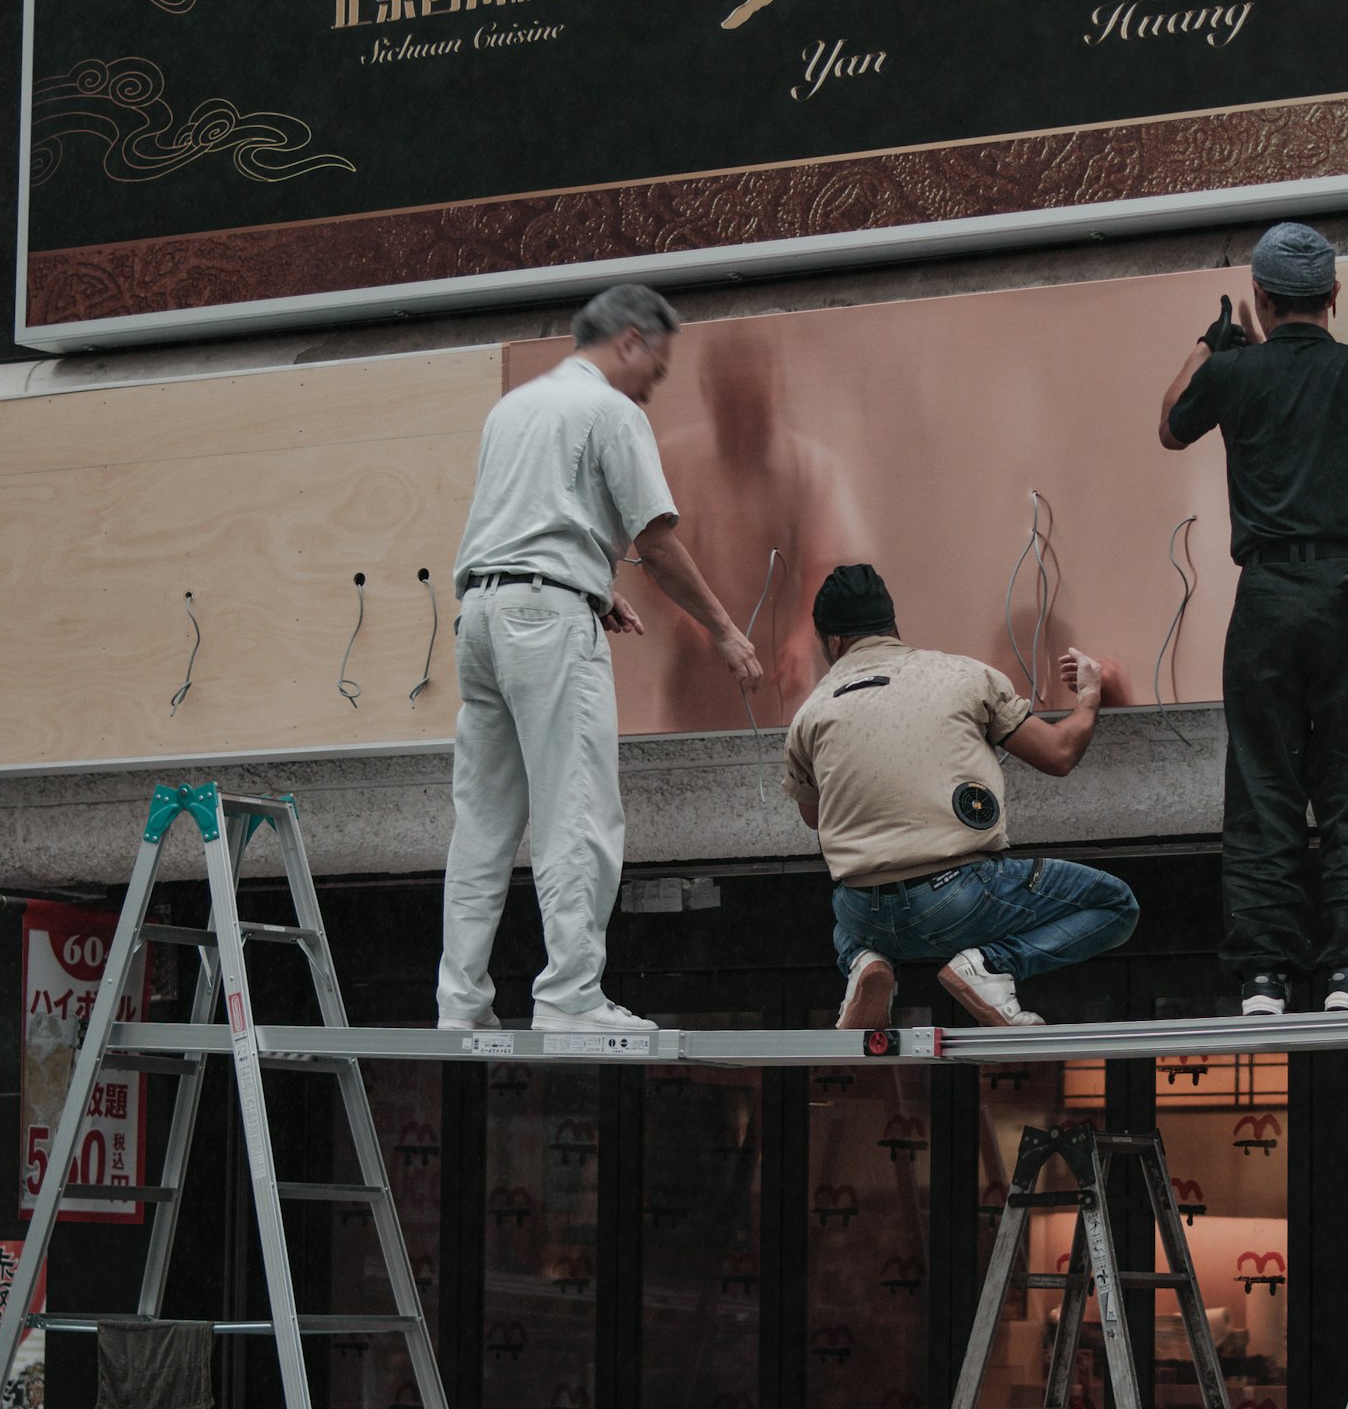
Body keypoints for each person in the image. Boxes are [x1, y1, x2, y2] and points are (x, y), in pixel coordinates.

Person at [438, 283, 766, 1034]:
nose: (656, 382)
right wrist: (725, 630)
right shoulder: (611, 412)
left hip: (482, 618)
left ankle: (459, 1003)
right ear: (628, 340)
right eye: (656, 363)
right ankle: (570, 996)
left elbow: (527, 524)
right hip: (546, 624)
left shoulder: (512, 407)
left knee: (482, 823)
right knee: (577, 808)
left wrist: (594, 587)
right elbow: (655, 541)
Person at [1154, 220, 1348, 1013]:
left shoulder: (1235, 372)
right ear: (1334, 297)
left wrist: (1213, 346)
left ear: (1260, 298)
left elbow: (1169, 423)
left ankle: (1264, 978)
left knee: (1263, 783)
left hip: (1267, 595)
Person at [780, 565, 1134, 1030]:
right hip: (957, 898)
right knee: (1115, 905)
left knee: (846, 911)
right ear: (893, 628)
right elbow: (1059, 754)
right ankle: (991, 965)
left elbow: (814, 817)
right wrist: (1089, 694)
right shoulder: (962, 676)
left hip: (863, 911)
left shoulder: (809, 714)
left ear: (833, 643)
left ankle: (864, 964)